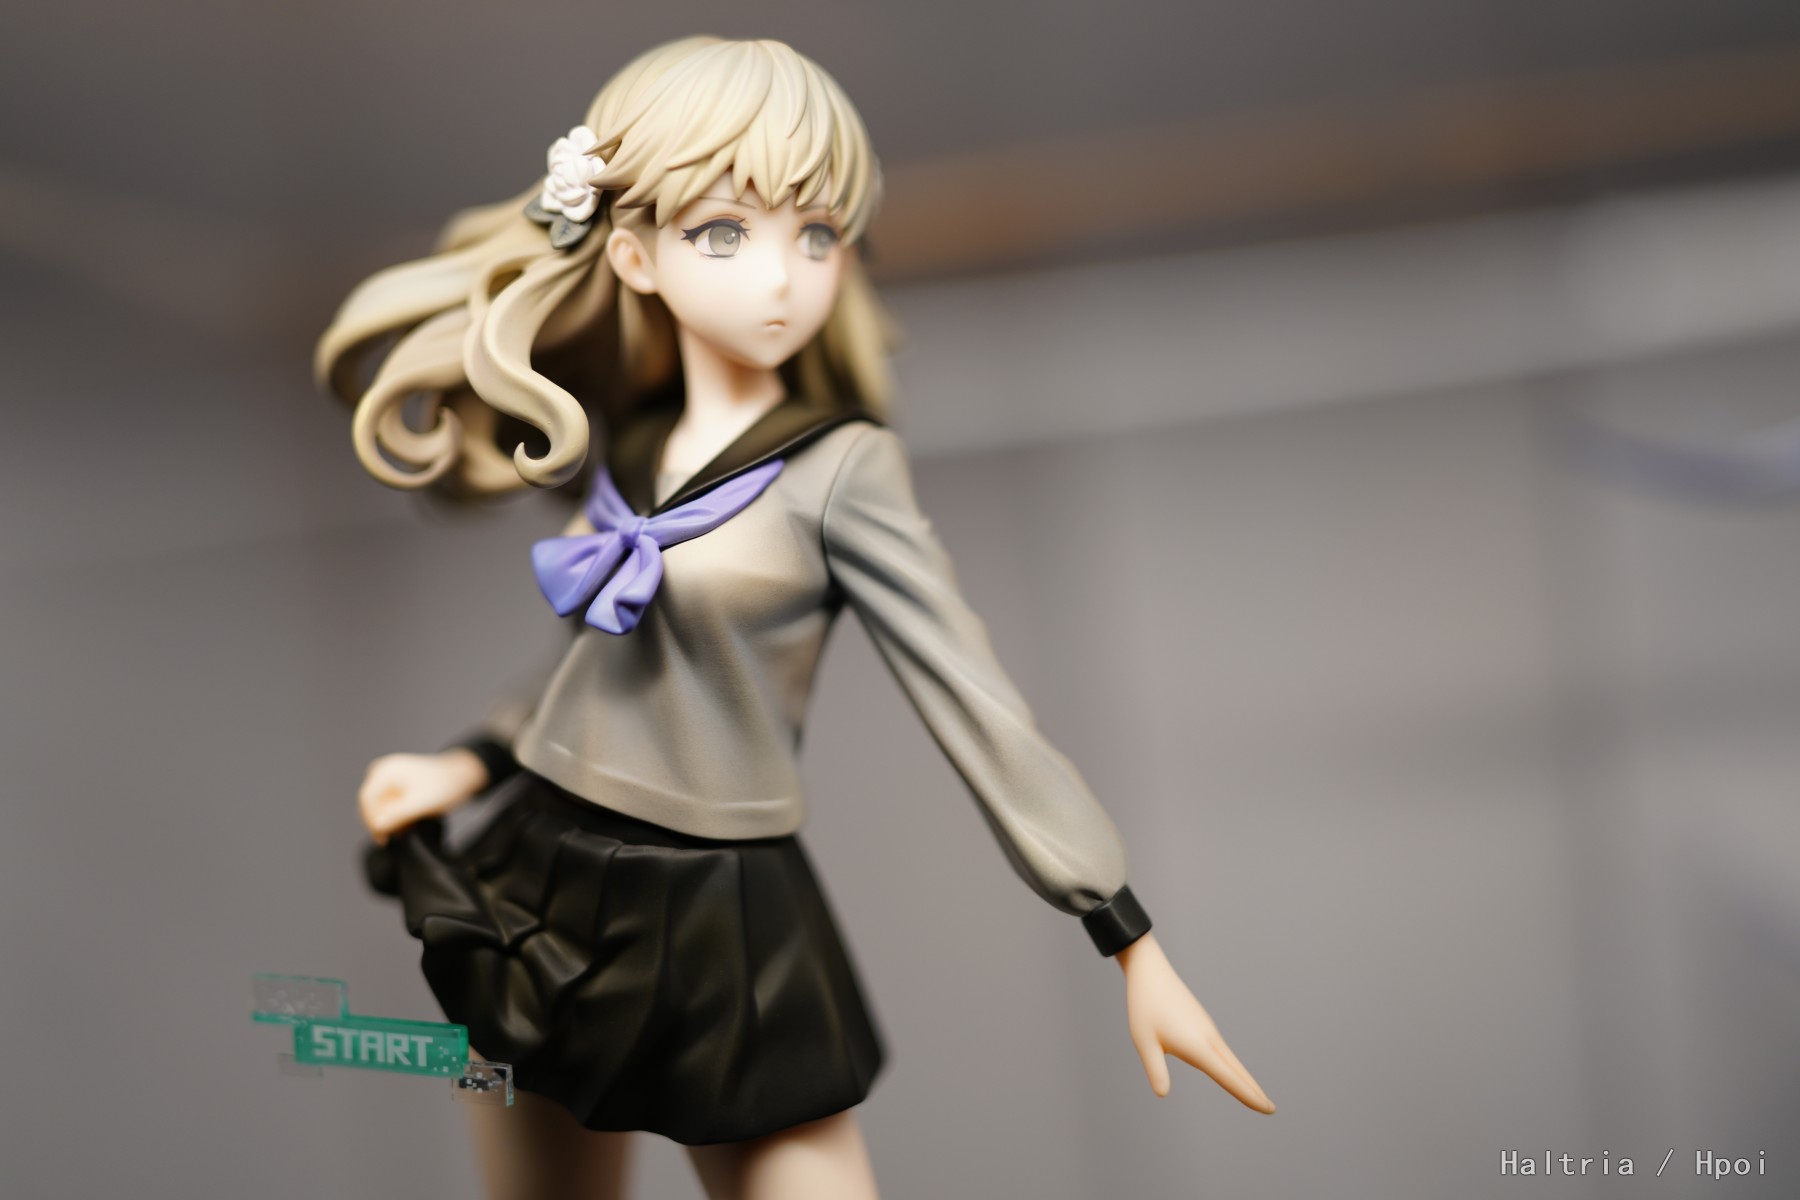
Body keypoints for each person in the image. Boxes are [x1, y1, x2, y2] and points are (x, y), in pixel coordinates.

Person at [316, 35, 1273, 1200]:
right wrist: (467, 764)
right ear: (634, 254)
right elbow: (595, 663)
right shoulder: (630, 441)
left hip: (721, 908)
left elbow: (973, 701)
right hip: (538, 881)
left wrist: (1124, 934)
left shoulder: (841, 472)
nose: (782, 276)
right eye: (725, 232)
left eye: (815, 235)